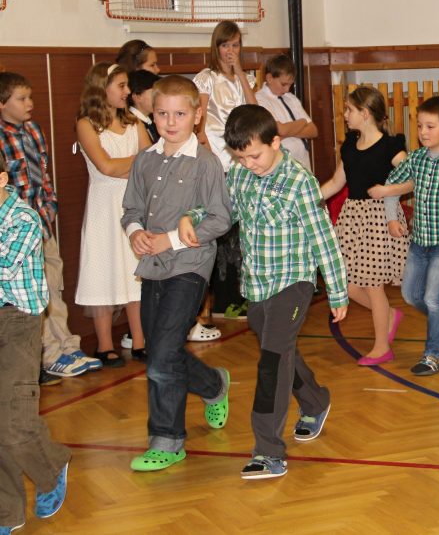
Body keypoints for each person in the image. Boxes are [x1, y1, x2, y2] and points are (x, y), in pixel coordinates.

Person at [180, 105, 349, 480]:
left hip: (294, 282)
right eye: (240, 157)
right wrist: (192, 216)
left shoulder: (299, 182)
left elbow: (324, 240)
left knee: (271, 361)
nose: (248, 163)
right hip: (257, 284)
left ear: (275, 142)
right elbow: (222, 209)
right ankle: (315, 400)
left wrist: (338, 292)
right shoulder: (241, 174)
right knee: (280, 351)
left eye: (254, 155)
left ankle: (269, 451)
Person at [121, 77, 233, 472]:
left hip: (190, 266)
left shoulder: (206, 163)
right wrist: (135, 233)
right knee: (160, 352)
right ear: (152, 115)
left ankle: (167, 440)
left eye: (180, 114)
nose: (171, 122)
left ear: (197, 116)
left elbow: (220, 218)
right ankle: (214, 384)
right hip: (153, 268)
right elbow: (131, 209)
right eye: (163, 114)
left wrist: (170, 239)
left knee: (162, 356)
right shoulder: (144, 160)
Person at [369, 96, 439, 376]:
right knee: (410, 295)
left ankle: (433, 355)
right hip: (419, 242)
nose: (423, 132)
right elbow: (391, 185)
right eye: (420, 126)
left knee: (432, 298)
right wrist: (392, 218)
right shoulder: (416, 159)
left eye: (430, 126)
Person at [0, 72, 96, 380]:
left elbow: (43, 172)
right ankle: (50, 354)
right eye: (22, 98)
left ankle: (68, 346)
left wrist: (50, 206)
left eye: (30, 96)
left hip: (41, 223)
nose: (29, 103)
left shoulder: (34, 130)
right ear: (2, 103)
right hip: (15, 229)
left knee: (53, 286)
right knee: (33, 294)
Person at [0, 150, 71, 533]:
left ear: (1, 180)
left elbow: (5, 266)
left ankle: (52, 467)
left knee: (13, 424)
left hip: (17, 323)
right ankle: (7, 512)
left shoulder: (23, 219)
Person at [320, 86, 409, 365]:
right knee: (345, 283)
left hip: (378, 220)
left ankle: (382, 347)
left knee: (373, 286)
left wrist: (387, 190)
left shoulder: (390, 147)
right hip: (352, 219)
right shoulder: (349, 146)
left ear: (365, 113)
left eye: (349, 110)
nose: (345, 115)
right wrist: (308, 198)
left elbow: (414, 180)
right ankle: (387, 314)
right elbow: (336, 182)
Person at [75, 63, 150, 366]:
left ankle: (140, 340)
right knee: (103, 271)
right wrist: (136, 161)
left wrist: (130, 164)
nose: (127, 91)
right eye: (121, 86)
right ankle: (104, 345)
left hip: (133, 203)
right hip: (103, 207)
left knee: (135, 271)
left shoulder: (135, 122)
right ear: (101, 88)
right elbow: (105, 166)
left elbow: (150, 161)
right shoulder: (86, 124)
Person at [193, 21, 257, 321]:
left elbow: (257, 111)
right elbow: (200, 121)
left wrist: (241, 73)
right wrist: (208, 159)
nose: (231, 50)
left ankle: (241, 294)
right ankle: (223, 299)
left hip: (242, 160)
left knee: (241, 231)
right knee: (223, 230)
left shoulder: (245, 79)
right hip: (218, 160)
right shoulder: (207, 78)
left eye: (236, 44)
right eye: (226, 45)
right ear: (216, 47)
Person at [255, 54, 318, 172]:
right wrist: (302, 122)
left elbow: (313, 130)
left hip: (303, 165)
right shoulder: (260, 99)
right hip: (282, 167)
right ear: (269, 78)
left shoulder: (291, 98)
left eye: (290, 84)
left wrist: (287, 132)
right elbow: (280, 130)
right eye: (284, 84)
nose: (287, 89)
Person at [127, 69, 160, 144]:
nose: (159, 98)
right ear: (137, 96)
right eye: (154, 93)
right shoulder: (131, 125)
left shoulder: (151, 121)